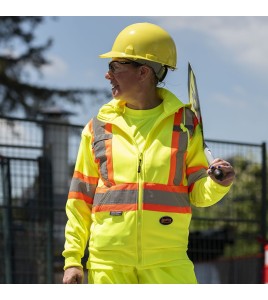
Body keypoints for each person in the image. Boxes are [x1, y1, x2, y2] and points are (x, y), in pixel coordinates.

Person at [62, 22, 235, 284]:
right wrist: (73, 259)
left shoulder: (185, 125)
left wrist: (217, 184)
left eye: (114, 67)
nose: (107, 75)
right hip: (108, 265)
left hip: (168, 264)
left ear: (143, 71)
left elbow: (199, 194)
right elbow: (79, 200)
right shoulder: (97, 128)